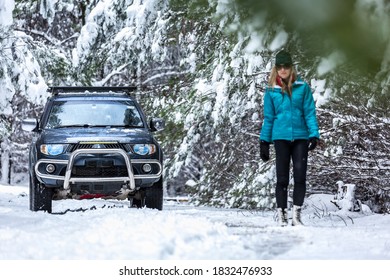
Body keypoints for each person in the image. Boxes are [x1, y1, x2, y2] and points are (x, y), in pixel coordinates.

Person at [259, 50, 320, 226]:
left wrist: (313, 134)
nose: (283, 69)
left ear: (291, 67)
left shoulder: (303, 87)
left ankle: (297, 216)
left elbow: (309, 112)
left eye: (286, 66)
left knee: (300, 177)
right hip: (281, 138)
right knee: (282, 179)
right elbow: (269, 118)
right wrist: (264, 141)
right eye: (280, 66)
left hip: (300, 137)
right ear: (276, 68)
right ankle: (282, 216)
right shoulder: (271, 91)